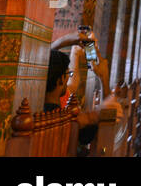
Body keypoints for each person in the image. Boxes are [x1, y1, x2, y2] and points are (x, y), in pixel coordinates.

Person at [45, 27, 110, 155]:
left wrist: (66, 42)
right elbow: (107, 120)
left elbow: (42, 65)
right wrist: (104, 78)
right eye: (67, 74)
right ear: (60, 81)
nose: (70, 76)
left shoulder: (39, 109)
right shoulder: (70, 118)